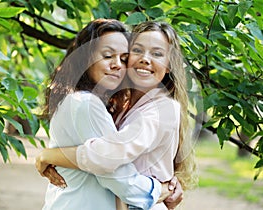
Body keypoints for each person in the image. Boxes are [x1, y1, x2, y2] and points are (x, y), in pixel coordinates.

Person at [36, 20, 196, 209]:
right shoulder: (103, 105)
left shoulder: (162, 109)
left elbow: (106, 157)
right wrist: (159, 190)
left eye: (158, 54)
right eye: (137, 51)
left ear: (169, 65)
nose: (145, 59)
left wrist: (49, 156)